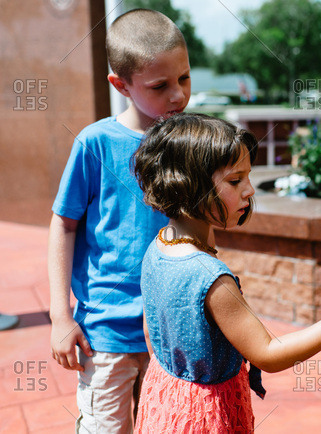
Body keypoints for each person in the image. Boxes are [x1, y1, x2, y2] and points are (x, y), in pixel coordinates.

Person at [131, 112, 321, 432]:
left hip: (164, 397)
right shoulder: (211, 279)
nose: (250, 190)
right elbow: (268, 353)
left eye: (248, 177)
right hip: (207, 416)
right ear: (188, 187)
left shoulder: (158, 247)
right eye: (235, 180)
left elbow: (150, 331)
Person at [48, 9, 190, 433]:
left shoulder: (188, 143)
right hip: (105, 334)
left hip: (170, 331)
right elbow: (64, 225)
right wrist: (60, 316)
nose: (178, 95)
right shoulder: (95, 144)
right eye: (160, 86)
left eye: (184, 78)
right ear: (121, 85)